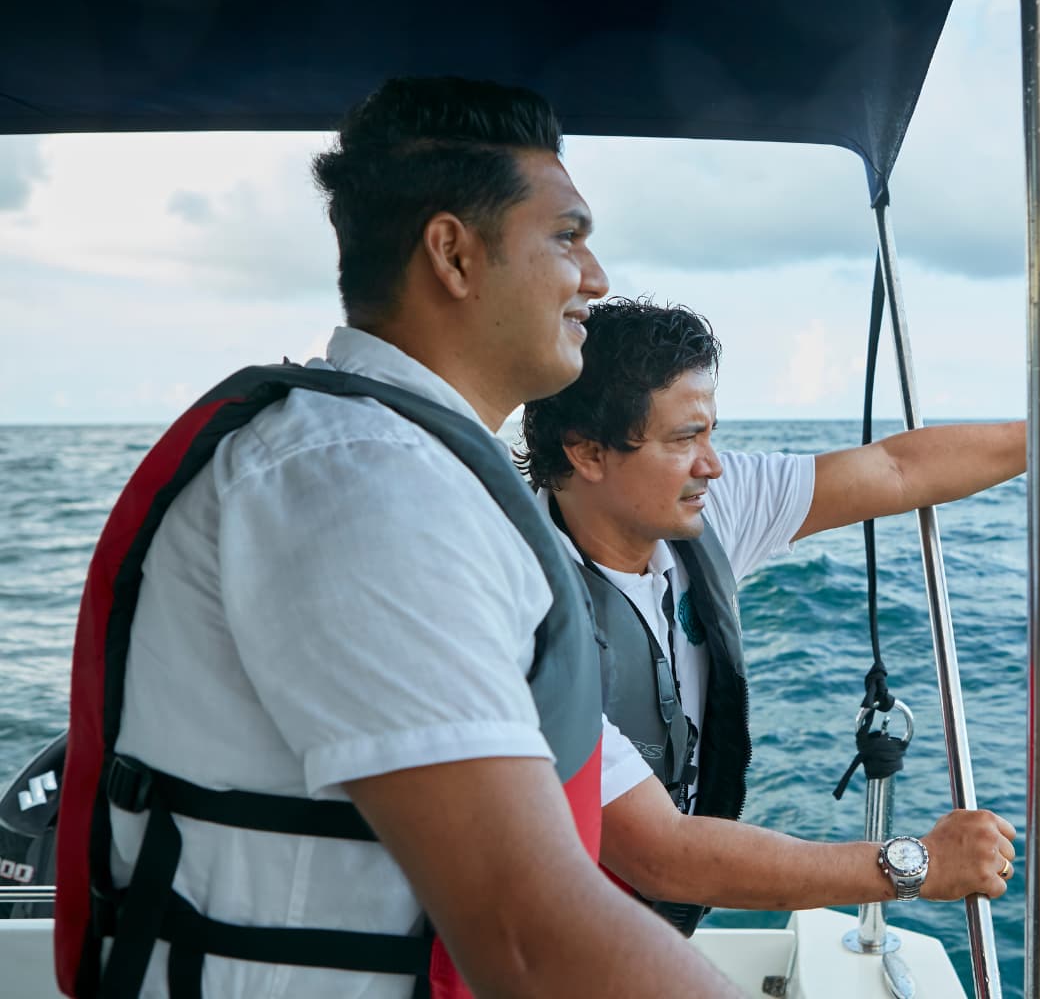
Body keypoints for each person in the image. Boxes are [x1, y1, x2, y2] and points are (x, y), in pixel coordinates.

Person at [58, 77, 746, 998]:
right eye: (566, 237)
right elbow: (525, 935)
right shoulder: (366, 487)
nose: (595, 277)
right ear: (453, 255)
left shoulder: (412, 468)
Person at [518, 297, 1040, 929]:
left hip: (637, 926)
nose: (714, 465)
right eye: (683, 440)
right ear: (587, 453)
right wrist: (917, 865)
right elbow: (661, 855)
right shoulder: (520, 608)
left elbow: (898, 469)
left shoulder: (701, 510)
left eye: (710, 435)